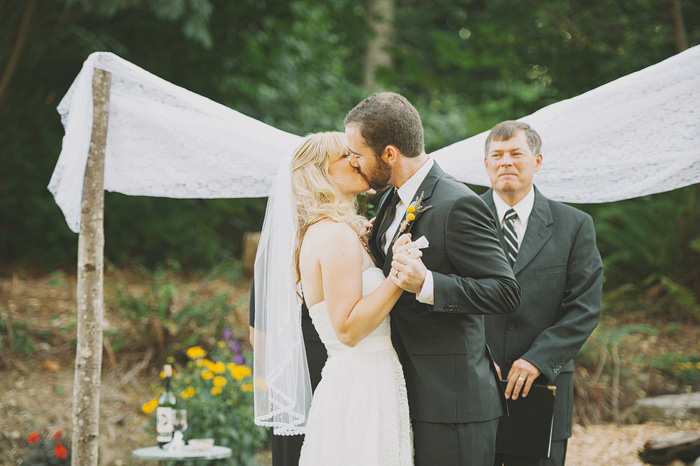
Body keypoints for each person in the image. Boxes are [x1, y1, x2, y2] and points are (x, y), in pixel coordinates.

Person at [345, 92, 521, 466]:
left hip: (452, 402)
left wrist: (428, 284)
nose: (355, 163)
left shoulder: (457, 204)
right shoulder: (389, 200)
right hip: (403, 390)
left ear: (390, 154)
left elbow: (506, 292)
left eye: (359, 154)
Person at [253, 131, 414, 465]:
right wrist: (398, 275)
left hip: (367, 378)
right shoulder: (333, 234)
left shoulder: (341, 232)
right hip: (361, 385)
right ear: (319, 173)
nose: (357, 160)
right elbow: (348, 330)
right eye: (346, 155)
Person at [480, 120, 603, 466]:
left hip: (543, 386)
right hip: (475, 383)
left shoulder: (575, 225)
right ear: (486, 165)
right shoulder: (459, 219)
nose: (506, 162)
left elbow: (585, 307)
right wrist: (475, 353)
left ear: (537, 161)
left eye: (516, 153)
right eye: (497, 155)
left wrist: (539, 358)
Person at [248, 284, 326, 466]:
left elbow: (257, 337)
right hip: (317, 379)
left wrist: (283, 379)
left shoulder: (272, 260)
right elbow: (258, 336)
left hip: (289, 387)